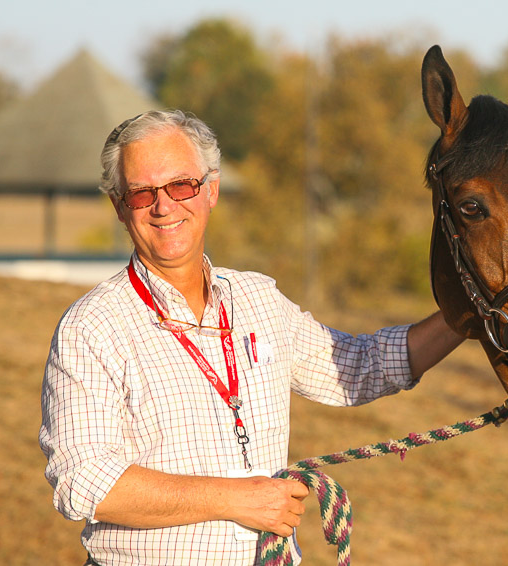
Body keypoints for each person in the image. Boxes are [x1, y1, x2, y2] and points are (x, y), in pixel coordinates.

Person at [39, 109, 464, 565]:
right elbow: (82, 480)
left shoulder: (258, 298)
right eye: (142, 193)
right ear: (120, 208)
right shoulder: (91, 327)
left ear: (211, 190)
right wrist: (235, 499)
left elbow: (359, 368)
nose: (164, 206)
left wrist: (463, 316)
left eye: (181, 185)